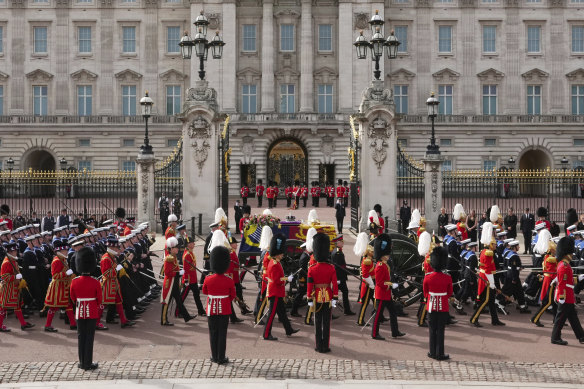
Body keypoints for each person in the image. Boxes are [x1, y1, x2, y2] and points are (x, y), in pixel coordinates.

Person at [203, 245, 236, 364]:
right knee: (222, 333)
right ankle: (221, 357)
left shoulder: (208, 279)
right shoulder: (229, 280)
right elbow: (232, 295)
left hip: (211, 308)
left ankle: (214, 356)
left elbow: (205, 291)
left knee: (213, 332)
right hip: (225, 308)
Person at [70, 247, 101, 371]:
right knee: (89, 337)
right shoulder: (95, 282)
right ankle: (88, 363)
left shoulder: (74, 281)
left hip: (79, 311)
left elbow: (73, 297)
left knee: (80, 336)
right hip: (92, 310)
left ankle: (82, 362)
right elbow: (100, 299)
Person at [263, 234, 299, 340]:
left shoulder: (276, 262)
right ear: (277, 254)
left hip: (277, 292)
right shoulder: (274, 264)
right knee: (271, 315)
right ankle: (266, 334)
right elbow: (276, 280)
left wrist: (286, 278)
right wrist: (287, 279)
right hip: (275, 292)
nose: (283, 254)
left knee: (282, 313)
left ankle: (289, 329)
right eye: (281, 253)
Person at [470, 222, 505, 327]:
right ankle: (474, 318)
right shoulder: (489, 253)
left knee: (491, 301)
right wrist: (492, 284)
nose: (496, 245)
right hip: (487, 280)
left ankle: (495, 320)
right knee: (485, 301)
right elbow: (489, 270)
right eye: (494, 244)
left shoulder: (484, 251)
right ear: (491, 244)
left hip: (485, 278)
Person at [307, 233, 337, 353]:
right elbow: (335, 284)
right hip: (328, 297)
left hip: (316, 298)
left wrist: (309, 298)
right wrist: (335, 297)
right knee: (327, 323)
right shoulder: (331, 268)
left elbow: (310, 285)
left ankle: (319, 346)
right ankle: (326, 346)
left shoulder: (312, 268)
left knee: (317, 323)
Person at [371, 233, 405, 340]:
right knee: (378, 315)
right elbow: (380, 283)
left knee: (393, 312)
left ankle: (395, 332)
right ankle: (374, 334)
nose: (388, 255)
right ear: (382, 255)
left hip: (386, 294)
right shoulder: (380, 266)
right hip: (381, 294)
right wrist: (391, 284)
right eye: (387, 254)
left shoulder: (385, 264)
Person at [551, 237, 584, 345]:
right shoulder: (564, 266)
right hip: (565, 296)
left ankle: (581, 336)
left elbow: (567, 280)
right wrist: (562, 297)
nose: (572, 254)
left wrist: (578, 278)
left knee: (573, 317)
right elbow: (562, 284)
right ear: (567, 253)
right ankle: (555, 337)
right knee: (560, 319)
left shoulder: (564, 264)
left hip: (568, 295)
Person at [424, 246, 453, 360]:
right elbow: (449, 293)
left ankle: (432, 352)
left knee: (432, 329)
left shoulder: (427, 277)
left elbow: (425, 292)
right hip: (443, 307)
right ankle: (439, 353)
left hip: (431, 305)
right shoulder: (447, 278)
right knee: (441, 330)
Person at [0, 241, 35, 332]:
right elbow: (4, 276)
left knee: (17, 306)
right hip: (8, 288)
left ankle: (23, 324)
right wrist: (15, 277)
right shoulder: (7, 262)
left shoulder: (12, 260)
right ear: (11, 252)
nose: (16, 252)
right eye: (14, 251)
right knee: (4, 307)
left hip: (14, 287)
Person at [43, 238, 77, 332]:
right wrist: (66, 273)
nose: (66, 252)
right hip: (57, 287)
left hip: (64, 286)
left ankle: (73, 324)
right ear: (60, 250)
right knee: (53, 307)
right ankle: (47, 325)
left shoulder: (62, 259)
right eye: (64, 250)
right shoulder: (57, 261)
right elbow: (55, 275)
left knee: (68, 305)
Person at [161, 237, 195, 326]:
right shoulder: (169, 258)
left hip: (174, 282)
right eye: (176, 248)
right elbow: (167, 272)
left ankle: (186, 316)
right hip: (170, 283)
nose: (178, 249)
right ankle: (163, 320)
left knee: (179, 300)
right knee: (166, 301)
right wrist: (178, 273)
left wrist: (179, 272)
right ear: (171, 249)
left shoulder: (173, 257)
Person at [181, 236, 206, 317]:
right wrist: (186, 280)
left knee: (197, 295)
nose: (194, 244)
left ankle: (201, 310)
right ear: (188, 244)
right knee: (182, 297)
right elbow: (186, 269)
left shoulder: (190, 252)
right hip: (188, 280)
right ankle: (178, 311)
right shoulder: (187, 254)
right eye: (192, 243)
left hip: (193, 279)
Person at [331, 235, 355, 316]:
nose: (343, 243)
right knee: (337, 294)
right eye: (341, 242)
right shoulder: (338, 253)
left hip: (340, 277)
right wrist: (337, 279)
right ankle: (346, 310)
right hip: (340, 277)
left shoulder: (337, 251)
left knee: (337, 293)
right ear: (337, 243)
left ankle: (346, 310)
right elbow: (337, 267)